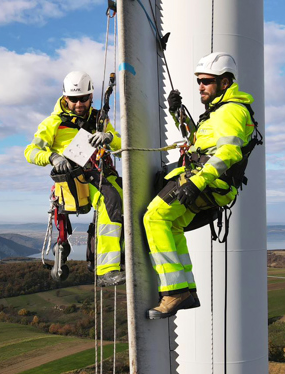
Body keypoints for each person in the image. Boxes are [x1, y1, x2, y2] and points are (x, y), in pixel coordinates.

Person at [144, 52, 256, 319]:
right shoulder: (218, 110)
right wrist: (177, 112)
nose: (201, 86)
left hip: (206, 180)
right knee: (173, 225)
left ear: (225, 82)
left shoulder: (232, 110)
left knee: (154, 218)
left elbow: (229, 152)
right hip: (206, 180)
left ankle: (174, 292)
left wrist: (196, 182)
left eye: (206, 81)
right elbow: (197, 140)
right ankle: (187, 290)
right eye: (199, 81)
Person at [24, 71, 126, 287]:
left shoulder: (99, 118)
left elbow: (119, 146)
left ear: (91, 96)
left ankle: (113, 256)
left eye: (84, 98)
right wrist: (52, 156)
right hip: (74, 178)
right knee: (111, 202)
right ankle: (106, 270)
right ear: (65, 98)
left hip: (99, 173)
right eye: (74, 99)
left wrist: (109, 137)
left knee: (127, 201)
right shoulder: (53, 123)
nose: (79, 104)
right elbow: (30, 152)